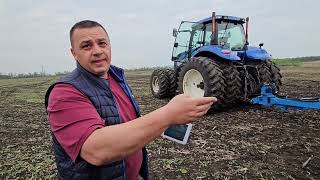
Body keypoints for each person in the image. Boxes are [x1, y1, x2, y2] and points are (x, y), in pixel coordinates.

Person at [45, 20, 217, 180]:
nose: (97, 50)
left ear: (110, 46)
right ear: (74, 53)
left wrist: (166, 125)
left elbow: (128, 121)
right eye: (86, 46)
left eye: (102, 43)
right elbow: (96, 150)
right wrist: (168, 115)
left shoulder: (116, 77)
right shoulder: (64, 94)